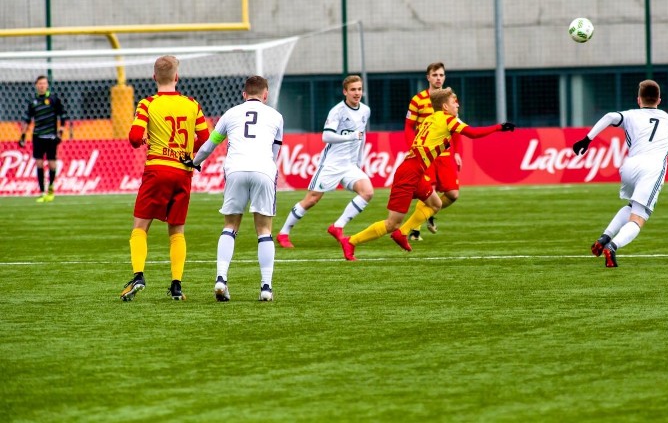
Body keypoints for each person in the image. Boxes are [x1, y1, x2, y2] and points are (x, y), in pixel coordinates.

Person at [337, 87, 515, 261]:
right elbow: (473, 133)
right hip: (408, 174)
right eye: (454, 102)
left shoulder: (431, 118)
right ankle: (351, 241)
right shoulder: (447, 120)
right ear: (445, 107)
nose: (457, 106)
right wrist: (499, 127)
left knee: (435, 203)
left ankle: (402, 234)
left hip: (416, 172)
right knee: (391, 223)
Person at [119, 55, 210, 302]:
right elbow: (205, 139)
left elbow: (134, 137)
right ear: (177, 77)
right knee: (177, 231)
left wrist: (148, 138)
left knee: (140, 227)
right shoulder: (192, 104)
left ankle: (138, 275)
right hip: (183, 172)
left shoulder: (148, 103)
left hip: (157, 169)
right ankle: (177, 286)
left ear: (154, 77)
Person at [188, 76, 284, 302]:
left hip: (235, 170)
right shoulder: (277, 116)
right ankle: (266, 287)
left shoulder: (230, 114)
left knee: (230, 226)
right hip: (263, 170)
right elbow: (275, 152)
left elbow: (209, 145)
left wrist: (195, 162)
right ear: (265, 95)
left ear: (243, 94)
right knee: (264, 230)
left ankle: (221, 279)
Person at [572, 79, 668, 268]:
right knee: (639, 217)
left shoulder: (630, 115)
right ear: (659, 100)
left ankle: (604, 237)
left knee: (631, 206)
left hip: (629, 166)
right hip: (651, 169)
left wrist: (587, 139)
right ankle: (612, 246)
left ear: (638, 99)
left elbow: (611, 116)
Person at [276, 75, 372, 249]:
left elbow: (362, 137)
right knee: (312, 200)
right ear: (345, 92)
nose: (357, 93)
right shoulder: (338, 111)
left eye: (359, 89)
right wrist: (350, 136)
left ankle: (337, 226)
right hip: (331, 164)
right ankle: (283, 233)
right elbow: (326, 136)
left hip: (350, 165)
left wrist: (359, 160)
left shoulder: (365, 110)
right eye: (353, 90)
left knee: (367, 192)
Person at [403, 62, 462, 242]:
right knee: (428, 190)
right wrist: (412, 149)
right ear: (428, 77)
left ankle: (429, 213)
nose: (438, 78)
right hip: (425, 155)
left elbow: (456, 127)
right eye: (435, 75)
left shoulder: (451, 98)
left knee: (453, 194)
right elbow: (408, 127)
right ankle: (414, 228)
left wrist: (457, 153)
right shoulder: (418, 99)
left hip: (444, 154)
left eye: (441, 75)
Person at [19, 75, 70, 202]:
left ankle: (51, 188)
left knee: (52, 164)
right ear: (36, 86)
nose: (42, 86)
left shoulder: (53, 99)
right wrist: (23, 135)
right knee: (39, 163)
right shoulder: (33, 102)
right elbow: (27, 119)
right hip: (38, 136)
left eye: (44, 83)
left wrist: (61, 132)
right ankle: (42, 192)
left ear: (47, 85)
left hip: (51, 136)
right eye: (40, 83)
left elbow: (63, 115)